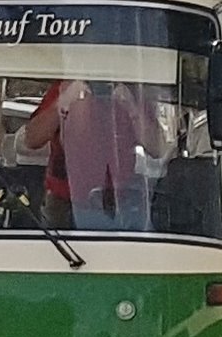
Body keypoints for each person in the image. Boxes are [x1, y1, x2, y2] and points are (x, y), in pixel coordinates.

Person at [21, 79, 165, 230]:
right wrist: (63, 102)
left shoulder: (132, 90)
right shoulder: (67, 86)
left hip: (121, 204)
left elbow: (157, 148)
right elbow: (31, 140)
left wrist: (132, 107)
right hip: (66, 202)